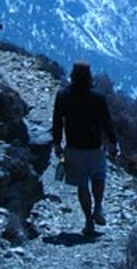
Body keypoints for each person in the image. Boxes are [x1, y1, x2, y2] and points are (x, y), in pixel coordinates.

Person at [52, 61, 119, 236]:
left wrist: (57, 143)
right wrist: (113, 142)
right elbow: (107, 122)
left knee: (82, 185)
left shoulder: (63, 96)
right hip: (95, 147)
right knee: (98, 177)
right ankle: (98, 207)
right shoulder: (97, 97)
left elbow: (57, 121)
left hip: (73, 148)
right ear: (89, 77)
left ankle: (89, 221)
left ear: (72, 75)